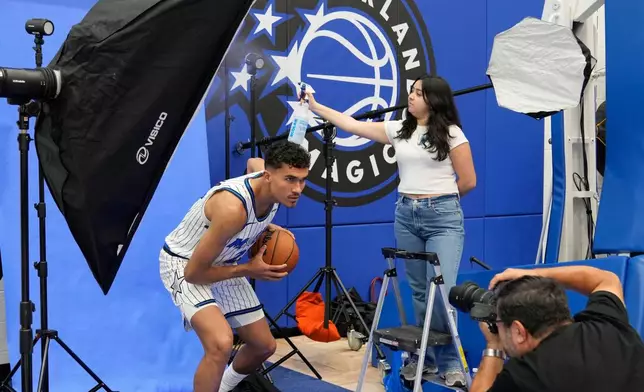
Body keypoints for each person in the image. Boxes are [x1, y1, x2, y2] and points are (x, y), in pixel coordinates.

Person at [303, 74, 477, 387]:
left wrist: (439, 202)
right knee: (419, 291)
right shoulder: (399, 129)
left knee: (441, 290)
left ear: (434, 100)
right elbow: (352, 125)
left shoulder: (452, 134)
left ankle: (450, 358)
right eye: (411, 91)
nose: (411, 97)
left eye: (419, 93)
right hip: (406, 214)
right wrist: (315, 106)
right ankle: (420, 357)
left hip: (443, 217)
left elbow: (468, 181)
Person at [159, 141, 310, 392]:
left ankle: (223, 388)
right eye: (290, 179)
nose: (297, 189)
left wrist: (267, 226)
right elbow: (194, 274)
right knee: (220, 343)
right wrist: (249, 270)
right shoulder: (232, 209)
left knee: (264, 346)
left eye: (303, 180)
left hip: (222, 260)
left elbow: (253, 163)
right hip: (184, 263)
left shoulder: (268, 178)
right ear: (268, 176)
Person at [471, 265, 644, 392]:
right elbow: (607, 279)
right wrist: (532, 275)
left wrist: (493, 346)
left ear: (518, 331)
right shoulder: (607, 325)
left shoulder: (525, 375)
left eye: (500, 324)